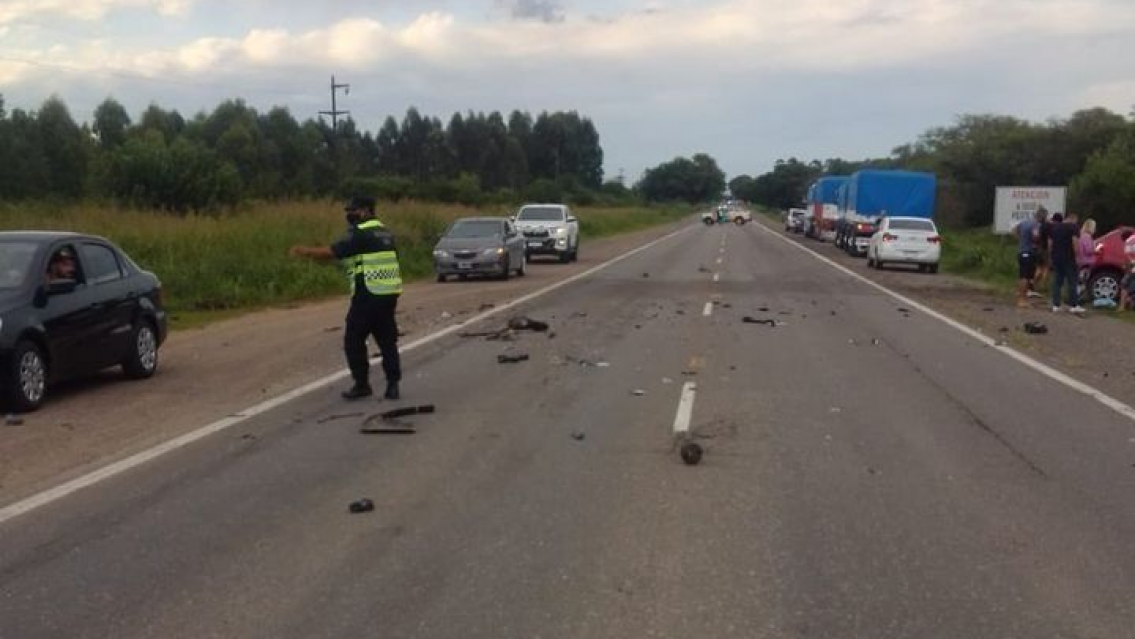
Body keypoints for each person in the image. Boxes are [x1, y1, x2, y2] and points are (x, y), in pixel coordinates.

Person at [291, 196, 403, 400]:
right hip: (388, 295)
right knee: (387, 341)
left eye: (353, 211)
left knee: (353, 340)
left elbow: (332, 252)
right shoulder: (385, 232)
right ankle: (393, 385)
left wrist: (304, 252)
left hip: (367, 294)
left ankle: (361, 384)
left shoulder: (360, 232)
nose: (349, 215)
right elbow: (355, 258)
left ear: (367, 211)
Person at [1048, 212, 1084, 314]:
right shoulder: (1073, 227)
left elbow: (1050, 243)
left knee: (1057, 282)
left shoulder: (1054, 227)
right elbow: (1074, 242)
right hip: (1069, 258)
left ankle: (1056, 305)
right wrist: (1077, 256)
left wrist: (1051, 256)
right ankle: (1073, 305)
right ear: (1074, 218)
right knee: (1072, 282)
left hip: (1056, 257)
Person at [1013, 209, 1042, 308]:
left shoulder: (1024, 222)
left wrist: (1020, 240)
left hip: (1022, 251)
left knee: (1024, 276)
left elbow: (1014, 230)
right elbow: (1035, 236)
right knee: (1025, 277)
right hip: (1028, 252)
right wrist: (1036, 243)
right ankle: (1022, 300)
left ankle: (1021, 296)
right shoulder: (1035, 224)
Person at [1031, 206, 1051, 297]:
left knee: (1039, 267)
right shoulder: (1047, 226)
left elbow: (1035, 237)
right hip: (1045, 249)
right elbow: (1050, 239)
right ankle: (1042, 286)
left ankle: (1032, 284)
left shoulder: (1036, 225)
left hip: (1037, 248)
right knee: (1046, 268)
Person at [1075, 217, 1097, 294]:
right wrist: (1096, 250)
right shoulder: (1087, 237)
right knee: (1082, 282)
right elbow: (1089, 250)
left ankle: (1074, 297)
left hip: (1080, 261)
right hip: (1086, 262)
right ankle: (1076, 299)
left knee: (1078, 280)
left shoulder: (1080, 235)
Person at [1121, 231, 1135, 313]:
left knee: (1124, 285)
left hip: (1133, 268)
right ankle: (1131, 304)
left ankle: (1122, 307)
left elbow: (1127, 255)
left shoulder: (1129, 241)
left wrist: (1130, 264)